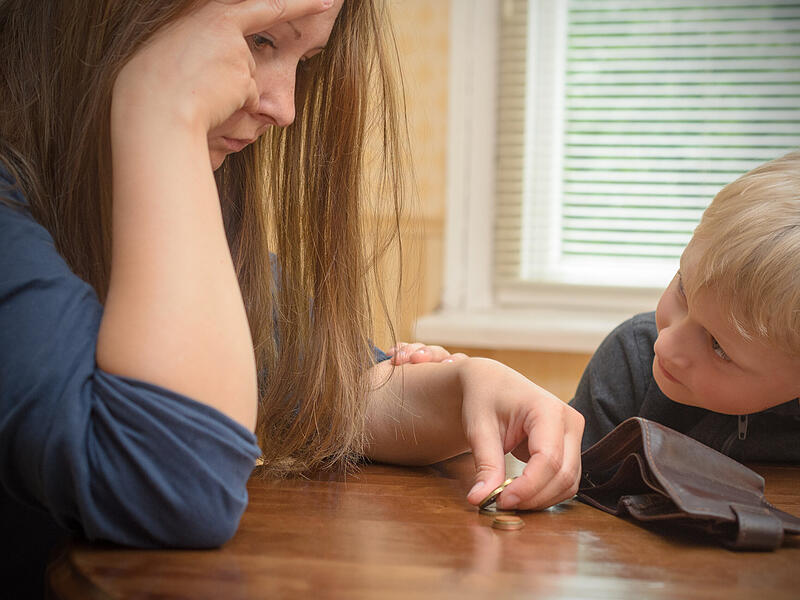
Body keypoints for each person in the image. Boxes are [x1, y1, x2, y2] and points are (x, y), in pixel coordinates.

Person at [0, 0, 584, 595]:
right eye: (260, 43)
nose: (284, 107)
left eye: (304, 59)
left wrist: (469, 385)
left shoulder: (204, 232)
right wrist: (161, 104)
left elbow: (335, 392)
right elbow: (179, 489)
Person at [570, 151, 800, 460]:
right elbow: (571, 492)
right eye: (683, 290)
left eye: (718, 346)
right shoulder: (631, 361)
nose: (665, 345)